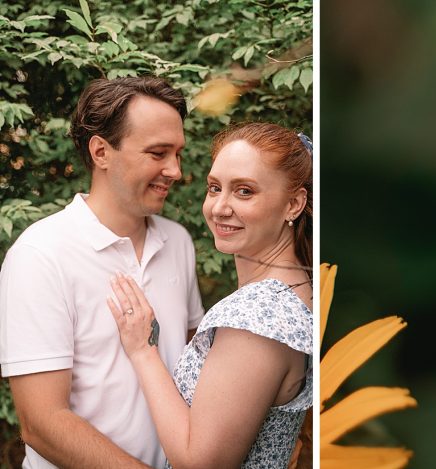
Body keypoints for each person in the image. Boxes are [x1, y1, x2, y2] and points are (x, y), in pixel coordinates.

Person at [0, 77, 205, 467]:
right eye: (158, 153)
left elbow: (195, 366)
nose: (175, 170)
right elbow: (42, 423)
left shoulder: (178, 242)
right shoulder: (40, 255)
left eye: (178, 153)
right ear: (101, 152)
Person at [106, 122, 314, 468]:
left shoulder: (256, 317)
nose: (219, 207)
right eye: (215, 188)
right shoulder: (299, 289)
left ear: (294, 204)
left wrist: (143, 351)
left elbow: (199, 463)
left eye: (244, 191)